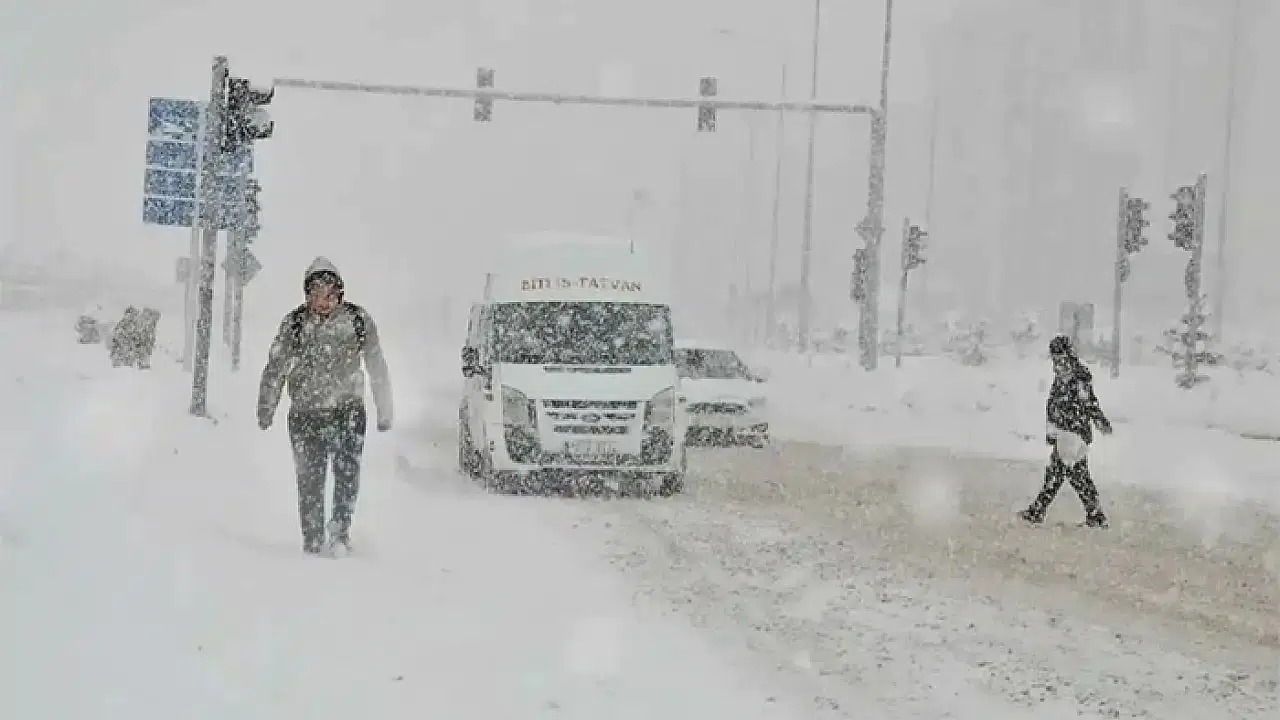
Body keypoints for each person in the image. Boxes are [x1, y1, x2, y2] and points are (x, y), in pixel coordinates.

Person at [257, 257, 394, 556]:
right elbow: (275, 368)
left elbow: (377, 365)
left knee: (347, 476)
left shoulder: (357, 321)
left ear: (340, 293)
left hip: (348, 412)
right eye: (316, 294)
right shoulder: (294, 324)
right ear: (307, 295)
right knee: (309, 480)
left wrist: (385, 410)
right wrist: (266, 407)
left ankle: (340, 533)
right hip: (306, 416)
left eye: (329, 293)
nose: (322, 300)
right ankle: (312, 539)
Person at [1018, 334, 1113, 528]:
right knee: (1071, 474)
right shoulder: (1063, 375)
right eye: (1054, 357)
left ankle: (1039, 510)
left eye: (1060, 356)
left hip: (1074, 433)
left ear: (1068, 354)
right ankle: (1093, 513)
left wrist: (1100, 421)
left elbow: (1088, 403)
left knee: (1061, 473)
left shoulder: (1078, 377)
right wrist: (1052, 430)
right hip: (1065, 433)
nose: (1057, 361)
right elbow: (1054, 404)